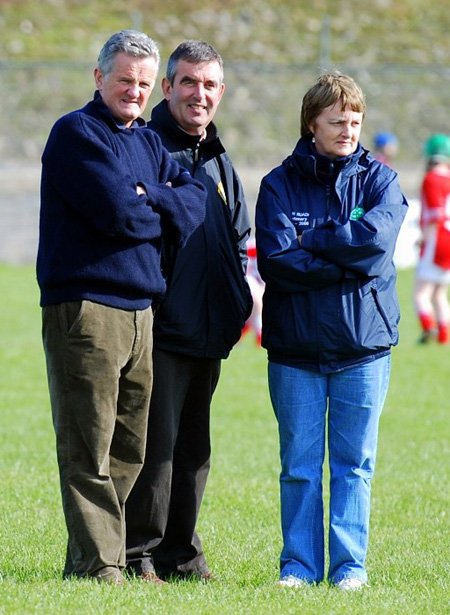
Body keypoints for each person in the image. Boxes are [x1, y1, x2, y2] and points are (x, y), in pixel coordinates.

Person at [37, 30, 207, 585]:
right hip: (87, 309)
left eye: (141, 82)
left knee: (130, 447)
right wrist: (151, 201)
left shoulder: (149, 141)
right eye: (123, 79)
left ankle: (104, 556)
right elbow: (118, 213)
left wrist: (148, 194)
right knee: (90, 443)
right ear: (98, 77)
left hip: (141, 311)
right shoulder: (76, 133)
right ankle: (99, 567)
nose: (133, 91)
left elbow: (195, 202)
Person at [255, 71, 407, 590]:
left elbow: (376, 249)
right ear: (311, 124)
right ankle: (297, 565)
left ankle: (349, 567)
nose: (349, 130)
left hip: (363, 350)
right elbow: (277, 262)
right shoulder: (277, 184)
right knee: (299, 466)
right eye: (337, 121)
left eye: (356, 120)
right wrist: (345, 256)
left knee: (354, 466)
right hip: (295, 352)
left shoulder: (381, 180)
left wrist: (313, 242)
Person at [125, 40, 252, 582]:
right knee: (155, 449)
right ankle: (138, 555)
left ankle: (181, 553)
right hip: (161, 325)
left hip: (209, 330)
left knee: (194, 449)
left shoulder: (220, 158)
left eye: (209, 85)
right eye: (189, 83)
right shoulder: (147, 147)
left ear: (220, 92)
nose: (199, 94)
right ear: (167, 88)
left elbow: (240, 234)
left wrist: (236, 306)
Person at [414, 134, 450, 344]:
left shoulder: (431, 179)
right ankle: (443, 337)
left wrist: (423, 239)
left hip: (437, 239)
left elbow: (436, 216)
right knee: (439, 293)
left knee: (421, 293)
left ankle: (429, 330)